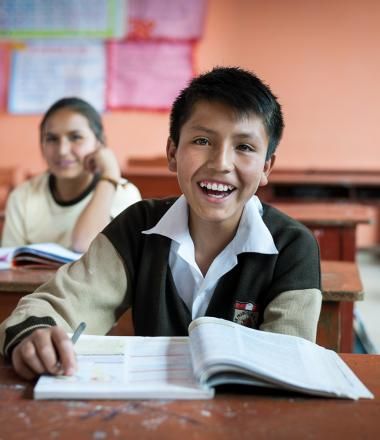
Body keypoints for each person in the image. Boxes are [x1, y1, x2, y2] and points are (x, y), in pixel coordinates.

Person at [0, 67, 321, 380]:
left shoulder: (292, 246)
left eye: (244, 147)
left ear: (267, 166)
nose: (221, 163)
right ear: (172, 152)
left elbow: (287, 364)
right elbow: (60, 304)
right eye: (202, 141)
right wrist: (36, 334)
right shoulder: (137, 228)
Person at [1, 97, 141, 253]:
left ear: (99, 143)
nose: (62, 150)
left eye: (76, 137)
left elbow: (85, 244)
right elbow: (8, 265)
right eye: (52, 139)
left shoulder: (124, 194)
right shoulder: (22, 196)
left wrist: (109, 175)